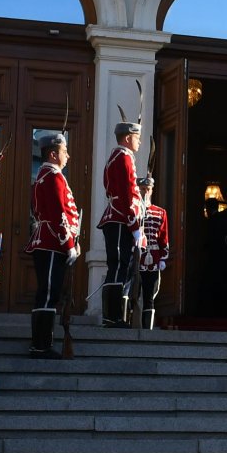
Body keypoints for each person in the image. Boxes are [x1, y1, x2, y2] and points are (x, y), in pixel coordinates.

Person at [29, 131, 81, 357]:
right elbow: (60, 213)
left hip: (48, 240)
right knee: (49, 292)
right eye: (64, 151)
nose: (68, 156)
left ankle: (42, 342)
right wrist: (68, 242)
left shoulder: (43, 176)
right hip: (52, 242)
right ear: (53, 154)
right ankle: (41, 345)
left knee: (49, 292)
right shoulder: (53, 177)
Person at [98, 121, 144, 327]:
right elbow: (127, 196)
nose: (140, 141)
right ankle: (112, 316)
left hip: (119, 217)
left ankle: (114, 315)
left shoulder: (119, 157)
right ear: (127, 138)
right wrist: (135, 228)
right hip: (119, 218)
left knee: (120, 266)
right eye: (137, 137)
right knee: (117, 266)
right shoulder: (123, 157)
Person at [135, 174, 170, 331]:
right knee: (133, 295)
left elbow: (164, 237)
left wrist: (163, 258)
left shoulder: (160, 212)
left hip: (153, 260)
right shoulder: (133, 211)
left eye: (148, 189)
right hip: (136, 259)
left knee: (149, 295)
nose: (145, 192)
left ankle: (147, 330)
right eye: (142, 189)